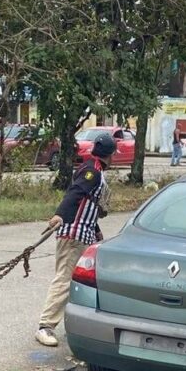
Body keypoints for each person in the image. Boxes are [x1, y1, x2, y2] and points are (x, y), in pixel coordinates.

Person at [35, 134, 116, 347]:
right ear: (111, 155)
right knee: (64, 280)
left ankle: (84, 324)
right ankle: (45, 326)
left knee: (85, 281)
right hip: (74, 235)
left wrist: (97, 232)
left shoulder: (94, 168)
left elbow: (88, 206)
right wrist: (59, 214)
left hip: (85, 234)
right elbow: (75, 194)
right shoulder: (92, 172)